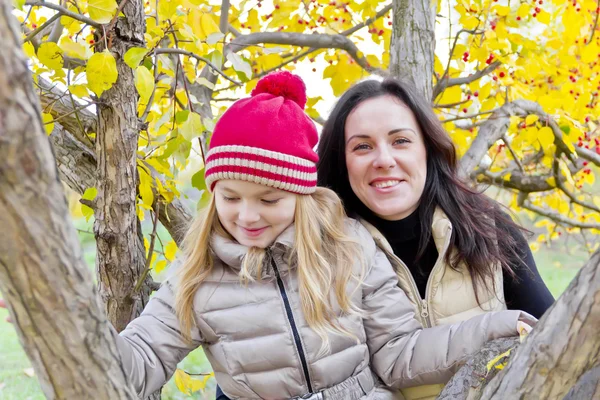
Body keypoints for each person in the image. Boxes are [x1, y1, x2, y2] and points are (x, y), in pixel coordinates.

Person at [0, 72, 534, 400]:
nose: (247, 216)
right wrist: (65, 323)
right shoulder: (198, 275)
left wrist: (495, 326)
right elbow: (139, 360)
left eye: (270, 200)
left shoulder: (351, 249)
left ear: (304, 195)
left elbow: (399, 354)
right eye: (230, 198)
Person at [316, 77, 554, 400]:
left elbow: (555, 342)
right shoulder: (321, 257)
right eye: (362, 146)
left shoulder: (490, 231)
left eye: (400, 141)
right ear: (341, 162)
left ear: (427, 148)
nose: (384, 160)